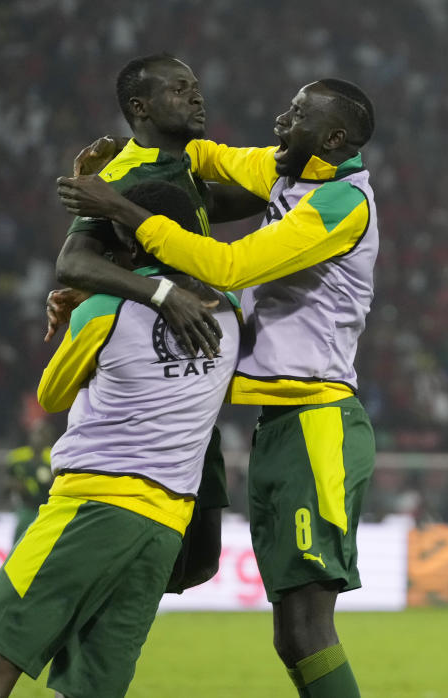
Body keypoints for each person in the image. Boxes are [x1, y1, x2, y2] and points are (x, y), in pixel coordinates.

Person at [57, 78, 378, 698]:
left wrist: (123, 210)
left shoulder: (342, 202)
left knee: (307, 629)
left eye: (298, 114)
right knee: (286, 631)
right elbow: (201, 155)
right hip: (280, 427)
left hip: (319, 423)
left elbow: (229, 267)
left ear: (334, 138)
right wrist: (122, 166)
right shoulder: (288, 172)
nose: (281, 117)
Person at [0, 180, 241, 698]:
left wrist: (81, 314)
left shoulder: (102, 310)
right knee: (91, 688)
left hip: (92, 507)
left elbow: (53, 395)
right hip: (165, 528)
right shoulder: (232, 312)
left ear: (127, 245)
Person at [49, 53, 269, 596]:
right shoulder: (123, 176)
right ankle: (14, 615)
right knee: (154, 567)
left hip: (193, 384)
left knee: (195, 565)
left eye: (196, 87)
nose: (196, 97)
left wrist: (302, 172)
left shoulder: (184, 170)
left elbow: (249, 196)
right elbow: (74, 261)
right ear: (139, 107)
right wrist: (163, 293)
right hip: (153, 386)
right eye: (178, 89)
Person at [6, 420, 56, 544]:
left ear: (48, 438)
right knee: (19, 542)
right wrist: (16, 485)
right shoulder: (18, 457)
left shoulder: (53, 457)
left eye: (43, 434)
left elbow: (60, 483)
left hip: (48, 509)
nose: (38, 438)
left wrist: (50, 481)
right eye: (36, 433)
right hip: (26, 508)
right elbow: (6, 481)